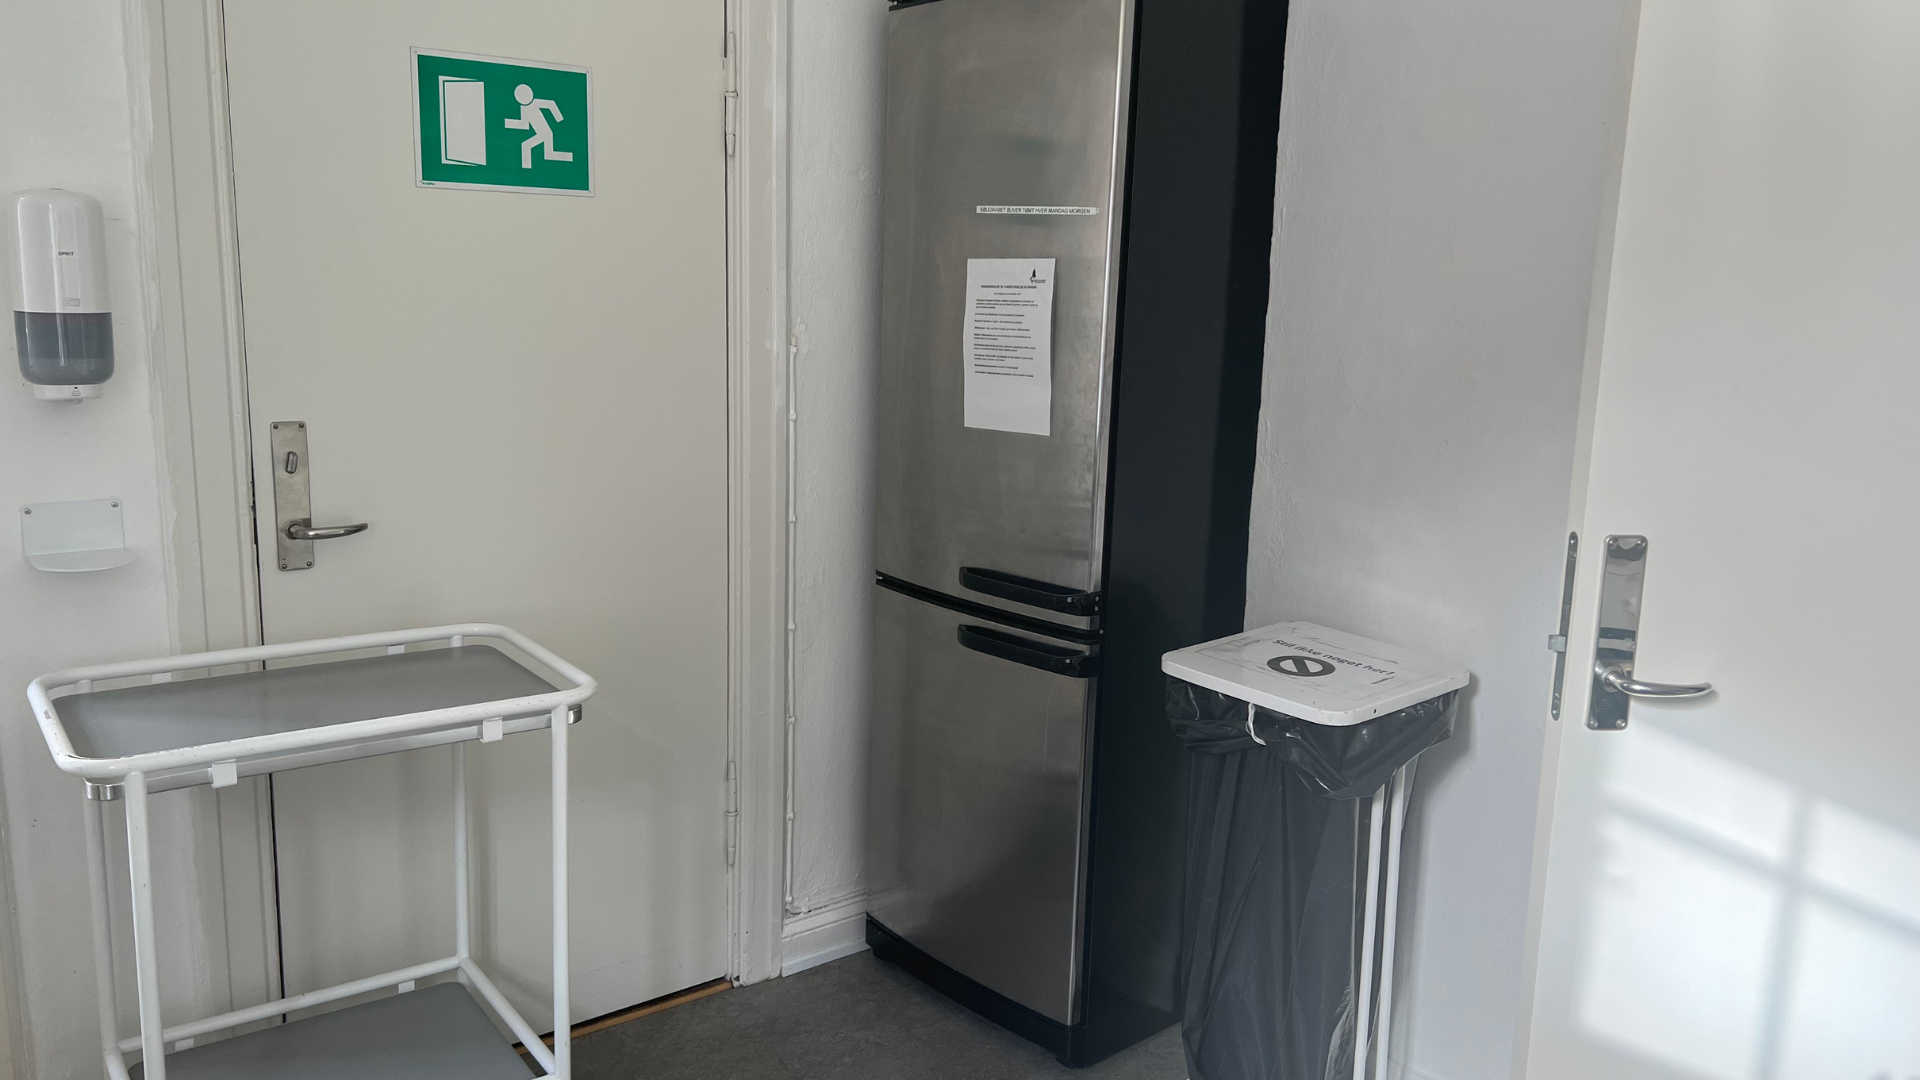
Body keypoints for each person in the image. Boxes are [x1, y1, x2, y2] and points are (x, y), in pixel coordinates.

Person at [504, 84, 573, 169]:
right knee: (547, 153)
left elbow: (551, 104)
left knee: (527, 147)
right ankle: (526, 169)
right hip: (543, 134)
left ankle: (526, 169)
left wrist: (558, 117)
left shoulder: (536, 102)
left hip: (545, 133)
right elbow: (524, 125)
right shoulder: (523, 108)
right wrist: (509, 123)